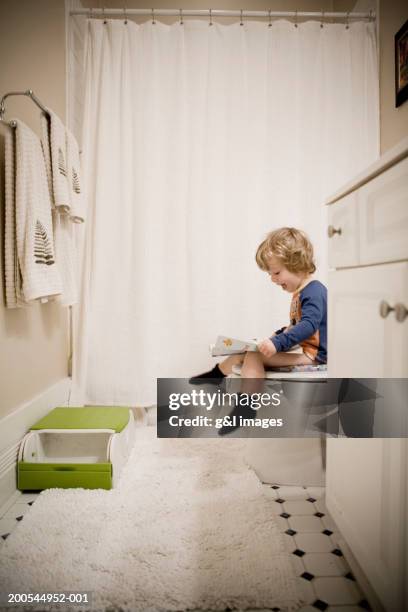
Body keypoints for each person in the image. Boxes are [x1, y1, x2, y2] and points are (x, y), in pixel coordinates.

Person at [189, 227, 327, 384]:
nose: (273, 280)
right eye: (270, 274)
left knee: (255, 356)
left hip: (316, 357)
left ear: (298, 264)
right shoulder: (303, 292)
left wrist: (277, 343)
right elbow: (298, 326)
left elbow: (308, 326)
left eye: (276, 273)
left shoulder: (314, 291)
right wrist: (278, 335)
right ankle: (216, 376)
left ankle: (247, 406)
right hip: (309, 353)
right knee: (246, 351)